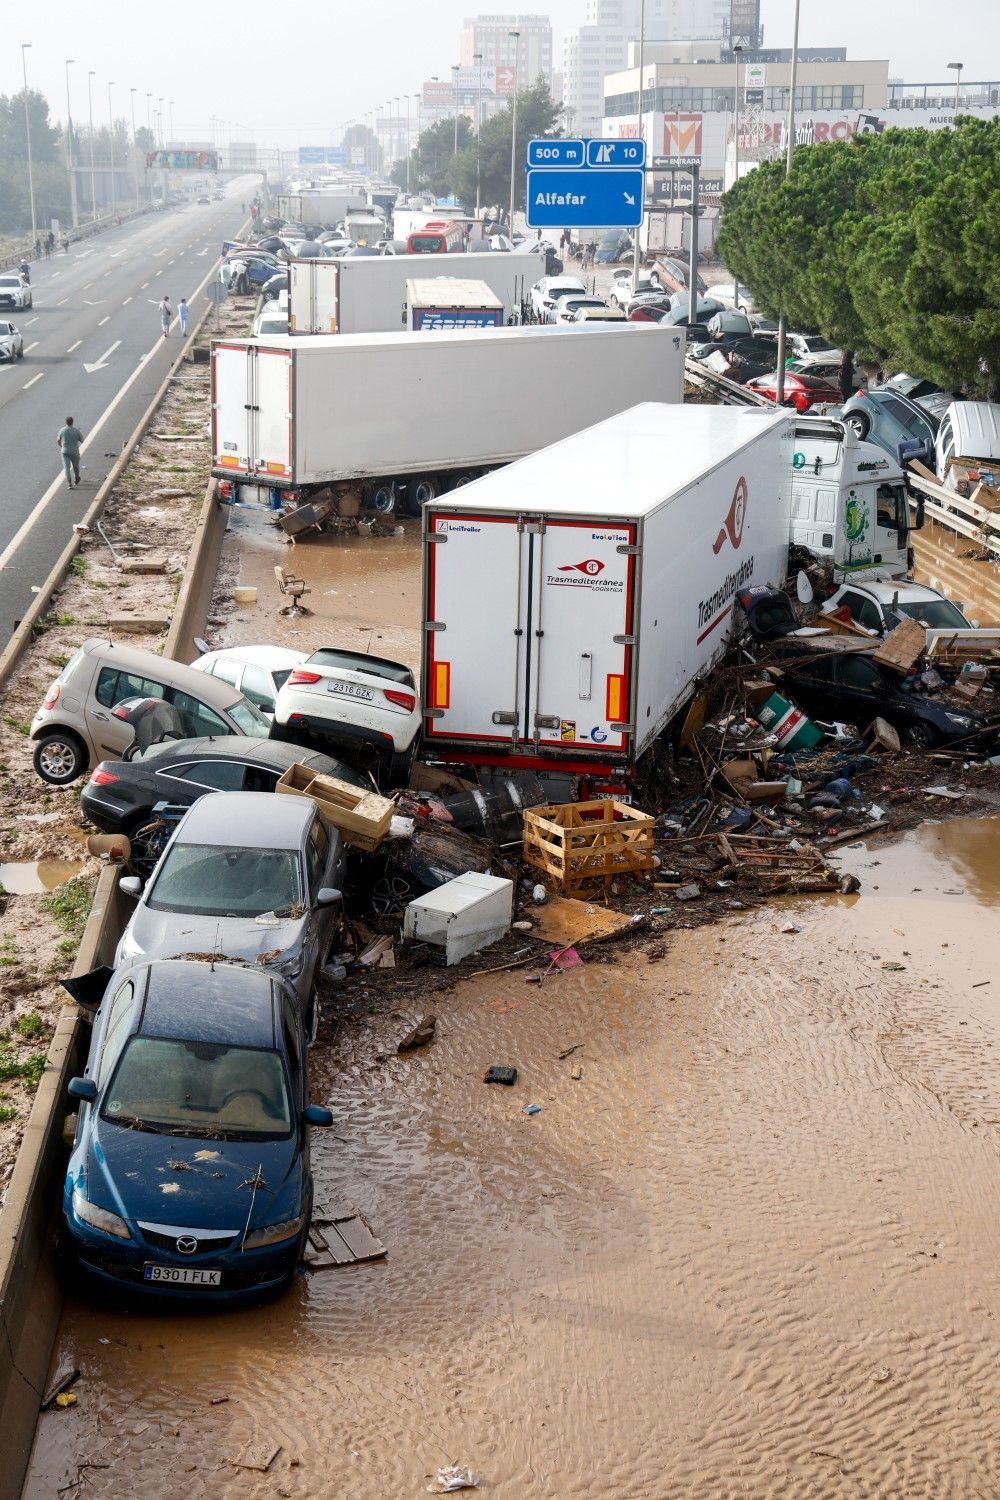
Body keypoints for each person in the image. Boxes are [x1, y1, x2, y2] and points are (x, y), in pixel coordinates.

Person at [57, 416, 84, 489]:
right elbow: (82, 440)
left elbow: (58, 440)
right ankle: (77, 478)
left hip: (65, 451)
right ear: (72, 422)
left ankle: (69, 483)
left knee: (67, 468)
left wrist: (62, 446)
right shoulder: (76, 431)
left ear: (66, 422)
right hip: (74, 451)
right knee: (76, 466)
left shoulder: (62, 430)